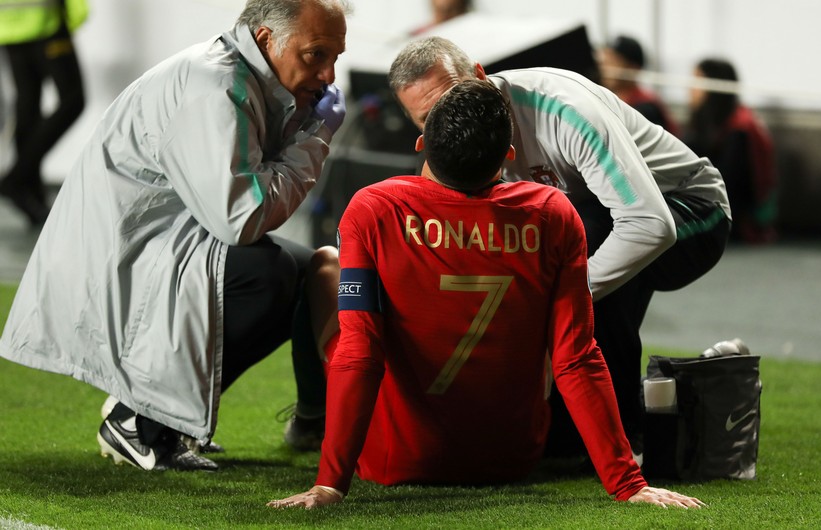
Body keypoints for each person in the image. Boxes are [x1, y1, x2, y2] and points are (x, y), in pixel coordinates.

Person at [267, 79, 705, 510]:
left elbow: (361, 353)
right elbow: (576, 357)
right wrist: (628, 482)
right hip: (512, 459)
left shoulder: (374, 208)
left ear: (422, 143)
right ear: (507, 156)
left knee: (325, 265)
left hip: (393, 458)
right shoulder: (553, 213)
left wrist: (330, 484)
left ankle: (309, 416)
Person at [0, 0, 349, 471]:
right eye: (315, 55)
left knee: (312, 271)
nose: (329, 74)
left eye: (335, 58)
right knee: (268, 276)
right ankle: (140, 418)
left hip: (159, 240)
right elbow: (242, 219)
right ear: (267, 39)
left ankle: (312, 422)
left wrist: (304, 124)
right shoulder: (216, 85)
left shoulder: (244, 75)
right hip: (117, 260)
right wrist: (315, 138)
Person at [383, 37, 731, 460]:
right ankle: (618, 413)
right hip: (597, 218)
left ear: (480, 76)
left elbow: (648, 224)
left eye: (455, 98)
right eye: (431, 118)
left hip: (691, 208)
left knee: (586, 249)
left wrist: (555, 297)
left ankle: (624, 436)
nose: (452, 120)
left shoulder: (564, 111)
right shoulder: (446, 144)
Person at [0, 0, 89, 226]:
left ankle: (31, 197)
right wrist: (74, 13)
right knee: (72, 99)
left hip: (8, 25)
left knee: (27, 105)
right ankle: (17, 178)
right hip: (45, 21)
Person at [685, 58, 777, 244]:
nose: (689, 88)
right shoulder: (710, 124)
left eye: (697, 81)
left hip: (743, 217)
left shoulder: (740, 128)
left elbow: (730, 183)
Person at [597, 35, 679, 136]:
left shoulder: (646, 107)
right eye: (604, 62)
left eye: (612, 61)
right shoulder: (608, 101)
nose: (604, 68)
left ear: (633, 68)